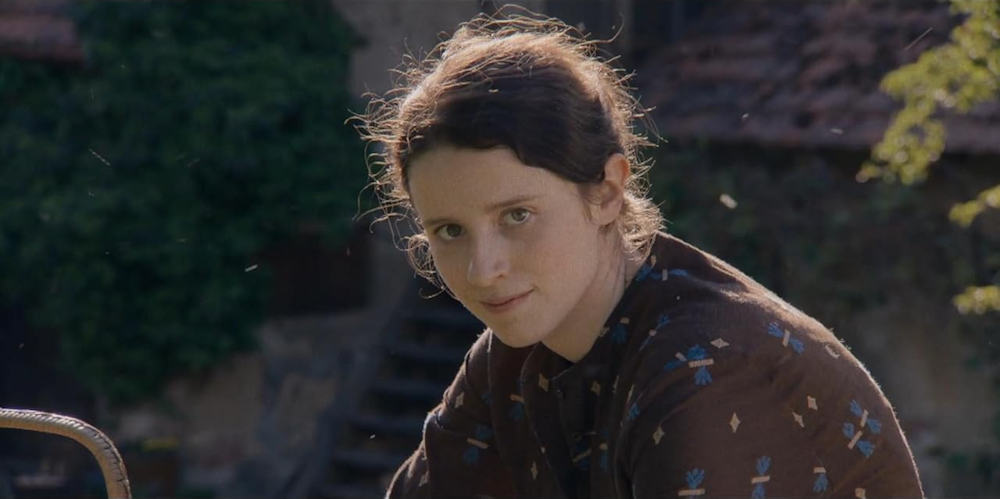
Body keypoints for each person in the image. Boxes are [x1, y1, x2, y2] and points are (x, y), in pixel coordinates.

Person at [358, 9, 925, 499]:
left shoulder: (705, 370)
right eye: (450, 231)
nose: (484, 270)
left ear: (607, 191)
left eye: (517, 216)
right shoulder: (513, 359)